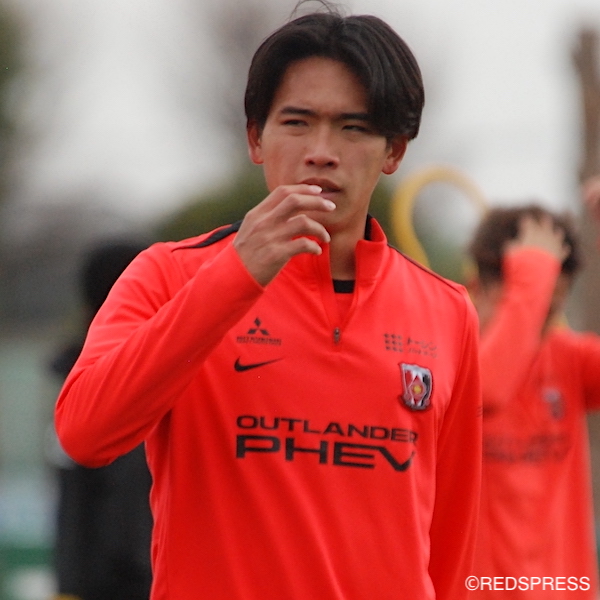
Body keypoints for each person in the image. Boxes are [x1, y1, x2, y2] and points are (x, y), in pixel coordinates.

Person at [54, 7, 482, 600]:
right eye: (297, 122)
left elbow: (453, 543)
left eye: (354, 128)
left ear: (394, 152)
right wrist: (236, 276)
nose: (322, 151)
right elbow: (84, 432)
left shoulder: (448, 311)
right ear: (256, 137)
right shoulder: (167, 275)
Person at [467, 189, 600, 598]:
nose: (538, 326)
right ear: (477, 287)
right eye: (530, 305)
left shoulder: (570, 360)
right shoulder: (441, 359)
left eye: (551, 311)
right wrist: (532, 279)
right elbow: (486, 388)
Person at [48, 241, 153, 600]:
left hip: (95, 579)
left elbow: (71, 501)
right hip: (134, 581)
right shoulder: (139, 379)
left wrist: (68, 584)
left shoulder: (73, 379)